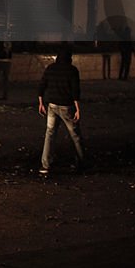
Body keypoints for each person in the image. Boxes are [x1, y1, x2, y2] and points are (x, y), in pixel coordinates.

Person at [38, 45, 85, 175]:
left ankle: (45, 165)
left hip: (52, 105)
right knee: (75, 135)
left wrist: (41, 103)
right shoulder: (72, 70)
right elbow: (75, 91)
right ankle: (81, 162)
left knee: (50, 134)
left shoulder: (50, 68)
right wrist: (78, 108)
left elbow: (42, 85)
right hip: (66, 106)